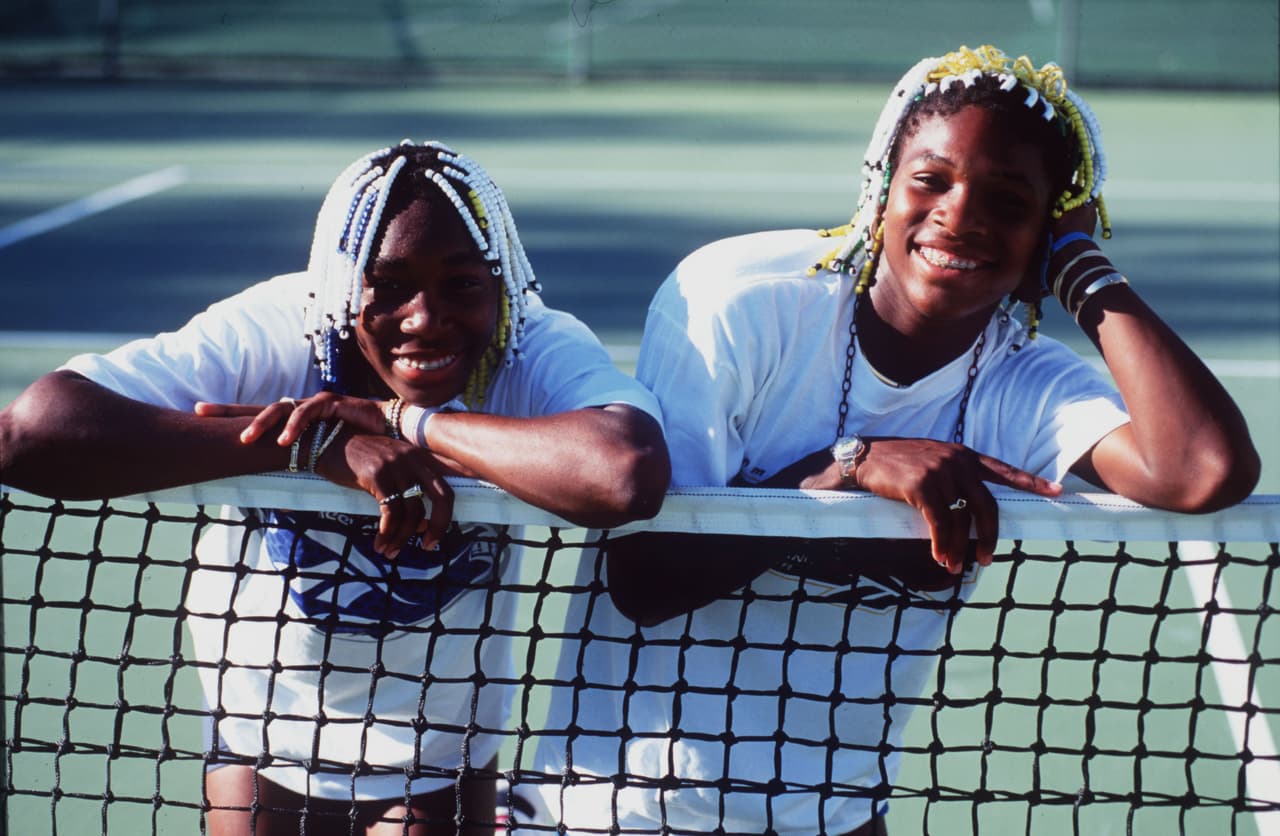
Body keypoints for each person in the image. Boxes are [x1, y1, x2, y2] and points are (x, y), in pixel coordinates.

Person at [522, 46, 1259, 834]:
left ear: (1044, 231)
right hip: (624, 809)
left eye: (1009, 201)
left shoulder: (1024, 385)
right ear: (880, 187)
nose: (961, 215)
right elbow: (645, 578)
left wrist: (1080, 264)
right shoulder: (740, 304)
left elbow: (1203, 469)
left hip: (834, 815)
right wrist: (848, 467)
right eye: (932, 180)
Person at [0, 140, 670, 835]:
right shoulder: (277, 328)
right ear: (345, 285)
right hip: (263, 726)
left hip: (439, 742)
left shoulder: (527, 344)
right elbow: (28, 434)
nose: (424, 318)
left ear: (500, 287)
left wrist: (405, 421)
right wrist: (309, 446)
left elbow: (623, 472)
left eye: (462, 285)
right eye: (389, 286)